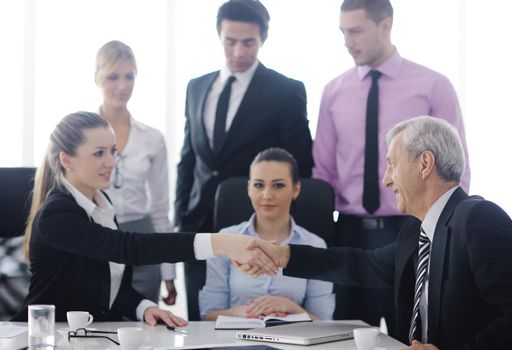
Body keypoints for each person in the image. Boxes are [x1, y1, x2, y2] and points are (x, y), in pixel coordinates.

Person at [246, 116, 512, 349]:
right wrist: (283, 256)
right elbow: (361, 265)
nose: (386, 179)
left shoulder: (478, 218)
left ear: (425, 164)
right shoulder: (416, 231)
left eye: (392, 163)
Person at [13, 112, 278, 325]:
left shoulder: (103, 208)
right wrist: (219, 243)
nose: (111, 162)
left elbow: (109, 286)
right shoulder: (58, 214)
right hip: (44, 338)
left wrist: (144, 307)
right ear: (67, 161)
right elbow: (130, 248)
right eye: (98, 153)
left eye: (112, 151)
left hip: (90, 337)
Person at [312, 0, 471, 328]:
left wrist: (444, 235)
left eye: (355, 31)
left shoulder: (432, 86)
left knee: (410, 331)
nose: (347, 41)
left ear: (386, 25)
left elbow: (457, 170)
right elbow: (323, 172)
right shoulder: (333, 92)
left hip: (411, 230)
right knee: (345, 334)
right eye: (343, 32)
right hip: (349, 232)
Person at [175, 0, 313, 320]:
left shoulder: (286, 90)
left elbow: (300, 164)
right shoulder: (196, 87)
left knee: (251, 320)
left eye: (248, 42)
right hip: (197, 226)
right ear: (219, 37)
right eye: (230, 41)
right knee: (202, 320)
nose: (238, 51)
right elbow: (188, 159)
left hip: (252, 228)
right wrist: (181, 217)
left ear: (263, 39)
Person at [199, 148, 334, 321]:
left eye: (278, 185)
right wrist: (242, 313)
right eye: (258, 185)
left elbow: (324, 321)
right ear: (249, 188)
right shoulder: (225, 239)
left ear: (296, 189)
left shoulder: (315, 245)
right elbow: (207, 315)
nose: (267, 195)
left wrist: (290, 307)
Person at [95, 40, 176, 305]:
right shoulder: (81, 135)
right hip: (98, 236)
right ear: (97, 78)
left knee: (145, 329)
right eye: (113, 77)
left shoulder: (152, 139)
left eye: (129, 76)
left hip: (142, 240)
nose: (122, 86)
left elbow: (160, 208)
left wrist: (169, 274)